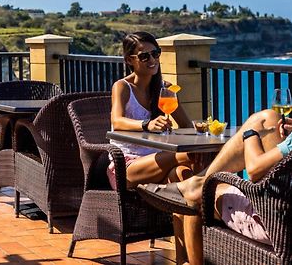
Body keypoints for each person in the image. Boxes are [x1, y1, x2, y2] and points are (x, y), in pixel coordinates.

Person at [138, 109, 292, 265]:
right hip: (280, 209)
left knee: (201, 197)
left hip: (277, 226)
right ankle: (198, 183)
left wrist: (250, 134)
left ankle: (198, 184)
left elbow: (254, 170)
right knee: (270, 118)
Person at [110, 32, 194, 264]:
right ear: (130, 60)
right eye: (144, 56)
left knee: (182, 179)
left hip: (158, 161)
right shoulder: (122, 87)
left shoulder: (164, 90)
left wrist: (192, 125)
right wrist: (147, 124)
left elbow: (186, 125)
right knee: (188, 158)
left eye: (155, 54)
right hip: (126, 166)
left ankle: (183, 259)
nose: (152, 60)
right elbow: (117, 121)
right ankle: (212, 188)